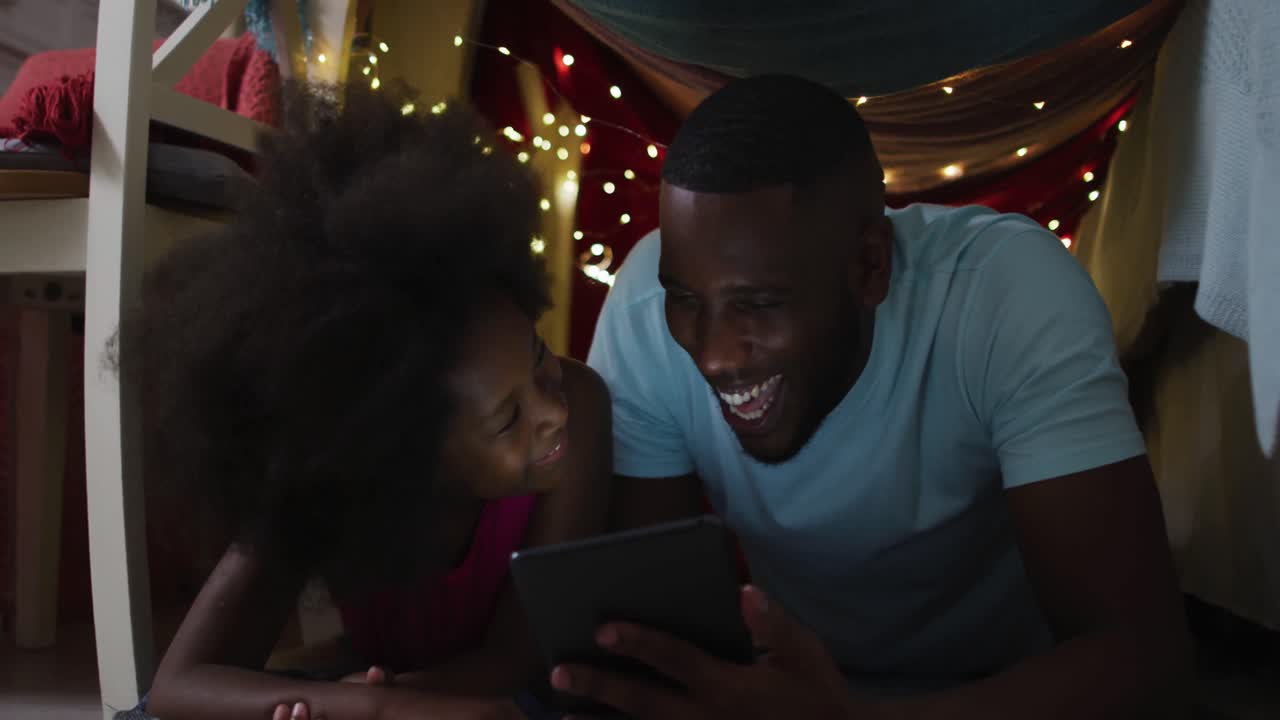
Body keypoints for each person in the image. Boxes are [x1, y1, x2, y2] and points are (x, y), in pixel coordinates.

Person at [565, 74, 1194, 718]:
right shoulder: (644, 308)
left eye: (758, 303)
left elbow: (1144, 659)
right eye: (687, 299)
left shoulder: (1003, 293)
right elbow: (659, 624)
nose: (714, 354)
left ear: (870, 267)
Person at [122, 81, 612, 720]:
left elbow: (514, 662)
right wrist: (349, 704)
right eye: (508, 417)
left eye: (540, 357)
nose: (553, 410)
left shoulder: (580, 412)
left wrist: (370, 706)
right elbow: (178, 686)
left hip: (502, 687)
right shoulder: (330, 476)